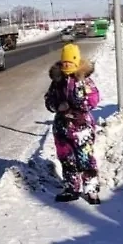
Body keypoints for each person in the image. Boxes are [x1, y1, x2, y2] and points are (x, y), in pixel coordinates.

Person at [44, 43, 101, 204]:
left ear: (76, 62)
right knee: (66, 159)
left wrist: (77, 104)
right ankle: (71, 188)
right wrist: (57, 106)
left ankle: (91, 190)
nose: (66, 65)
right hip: (62, 127)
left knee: (85, 158)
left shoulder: (84, 81)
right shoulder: (57, 81)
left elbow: (94, 100)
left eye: (70, 62)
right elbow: (48, 101)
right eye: (64, 62)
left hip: (81, 126)